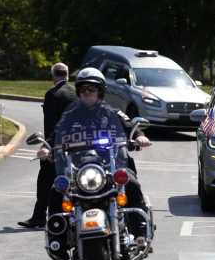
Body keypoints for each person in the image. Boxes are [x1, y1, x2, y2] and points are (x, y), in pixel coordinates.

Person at [42, 67, 152, 247]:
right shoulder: (70, 115)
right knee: (57, 188)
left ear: (100, 92)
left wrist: (139, 135)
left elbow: (128, 125)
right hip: (78, 169)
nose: (87, 93)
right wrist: (47, 148)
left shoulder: (111, 112)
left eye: (91, 89)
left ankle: (139, 231)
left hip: (110, 166)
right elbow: (57, 133)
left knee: (130, 182)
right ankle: (58, 238)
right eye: (83, 90)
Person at [18, 62, 77, 228]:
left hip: (57, 145)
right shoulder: (76, 93)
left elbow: (52, 124)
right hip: (77, 144)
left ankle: (39, 217)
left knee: (44, 181)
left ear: (53, 76)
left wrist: (47, 146)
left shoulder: (53, 94)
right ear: (67, 74)